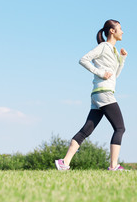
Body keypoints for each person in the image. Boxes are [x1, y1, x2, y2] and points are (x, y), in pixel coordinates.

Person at [55, 19, 128, 171]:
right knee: (120, 128)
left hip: (98, 94)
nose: (122, 31)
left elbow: (114, 75)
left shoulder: (114, 51)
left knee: (86, 129)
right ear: (112, 31)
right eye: (120, 28)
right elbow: (84, 60)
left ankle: (64, 163)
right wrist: (100, 72)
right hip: (104, 93)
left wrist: (122, 60)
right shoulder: (103, 47)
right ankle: (113, 166)